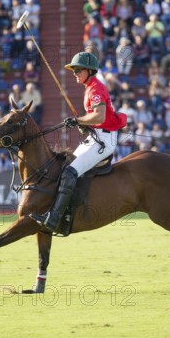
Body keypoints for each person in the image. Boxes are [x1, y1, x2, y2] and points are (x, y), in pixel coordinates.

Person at [30, 51, 127, 233]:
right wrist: (85, 124)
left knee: (69, 173)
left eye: (78, 70)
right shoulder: (90, 87)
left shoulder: (96, 88)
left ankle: (54, 219)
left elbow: (99, 115)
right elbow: (97, 119)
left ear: (90, 71)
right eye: (73, 71)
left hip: (104, 140)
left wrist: (78, 121)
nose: (74, 74)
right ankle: (65, 212)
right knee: (65, 168)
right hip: (97, 136)